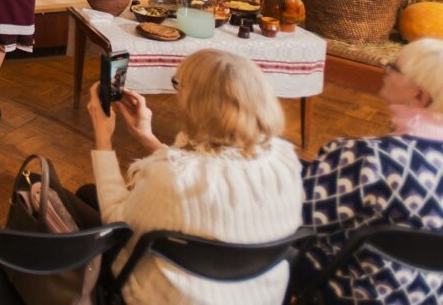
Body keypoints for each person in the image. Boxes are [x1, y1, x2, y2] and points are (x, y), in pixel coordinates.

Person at [86, 49, 303, 304]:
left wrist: (103, 137)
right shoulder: (285, 162)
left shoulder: (171, 178)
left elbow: (115, 219)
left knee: (83, 200)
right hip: (259, 296)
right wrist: (148, 137)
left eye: (178, 84)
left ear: (198, 103)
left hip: (170, 297)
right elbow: (208, 176)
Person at [299, 39, 443, 302]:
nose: (384, 71)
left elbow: (295, 214)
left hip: (353, 292)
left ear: (419, 96)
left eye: (393, 68)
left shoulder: (371, 157)